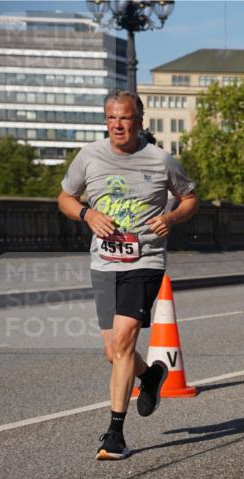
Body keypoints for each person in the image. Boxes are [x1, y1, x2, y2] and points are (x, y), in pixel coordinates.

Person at [57, 91, 198, 460]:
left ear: (140, 120)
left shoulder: (160, 159)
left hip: (145, 260)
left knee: (122, 342)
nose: (118, 125)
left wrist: (169, 218)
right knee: (112, 351)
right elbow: (65, 197)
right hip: (103, 263)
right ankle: (151, 376)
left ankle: (114, 434)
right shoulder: (89, 156)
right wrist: (86, 214)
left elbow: (189, 198)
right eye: (111, 118)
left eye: (126, 118)